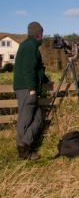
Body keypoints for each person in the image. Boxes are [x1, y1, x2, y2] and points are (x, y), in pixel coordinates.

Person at [13, 22, 49, 160]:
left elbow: (37, 68)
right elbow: (28, 70)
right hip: (26, 89)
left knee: (38, 118)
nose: (42, 36)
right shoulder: (29, 47)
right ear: (38, 34)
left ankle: (25, 143)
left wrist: (45, 80)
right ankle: (23, 151)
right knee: (25, 118)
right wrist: (32, 89)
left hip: (27, 88)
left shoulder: (30, 46)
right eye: (42, 33)